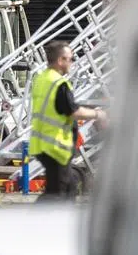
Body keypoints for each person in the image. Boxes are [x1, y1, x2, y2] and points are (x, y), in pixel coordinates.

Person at [28, 40, 106, 200]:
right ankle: (36, 223)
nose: (72, 62)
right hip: (55, 146)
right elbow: (73, 111)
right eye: (69, 59)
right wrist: (98, 114)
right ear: (60, 60)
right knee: (57, 193)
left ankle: (49, 221)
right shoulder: (58, 83)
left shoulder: (42, 79)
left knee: (67, 187)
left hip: (43, 144)